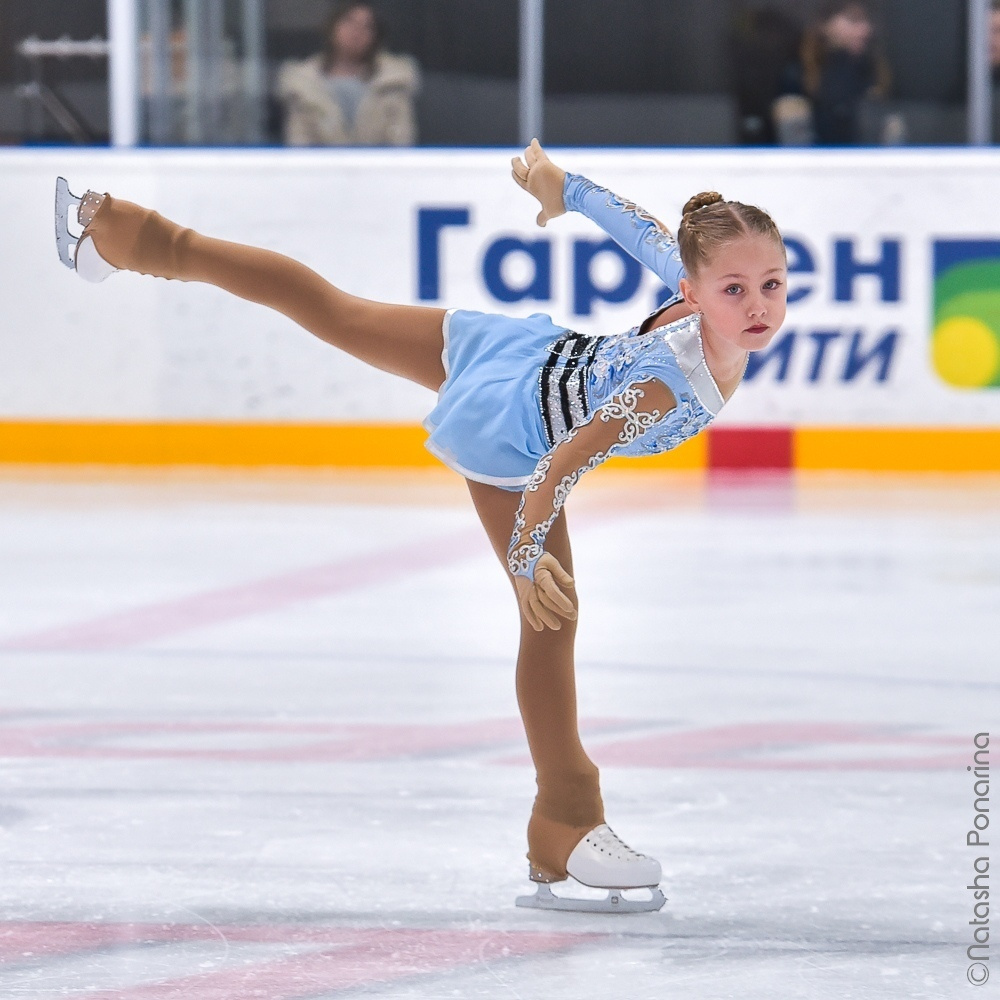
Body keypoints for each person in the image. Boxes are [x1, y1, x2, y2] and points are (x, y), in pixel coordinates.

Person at [53, 140, 788, 912]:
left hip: (512, 355)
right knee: (551, 623)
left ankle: (125, 232)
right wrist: (527, 556)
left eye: (770, 285)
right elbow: (562, 465)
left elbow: (630, 225)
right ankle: (565, 820)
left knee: (335, 310)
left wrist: (559, 185)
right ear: (693, 289)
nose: (758, 307)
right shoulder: (670, 384)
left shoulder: (694, 283)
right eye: (735, 290)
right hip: (514, 432)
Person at [277, 2, 419, 147]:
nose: (356, 31)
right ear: (333, 26)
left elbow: (401, 146)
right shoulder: (302, 85)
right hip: (321, 168)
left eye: (367, 26)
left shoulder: (393, 83)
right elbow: (299, 147)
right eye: (349, 21)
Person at [800, 0, 892, 145]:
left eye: (867, 21)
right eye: (853, 20)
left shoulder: (872, 71)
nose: (866, 29)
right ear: (824, 25)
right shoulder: (798, 77)